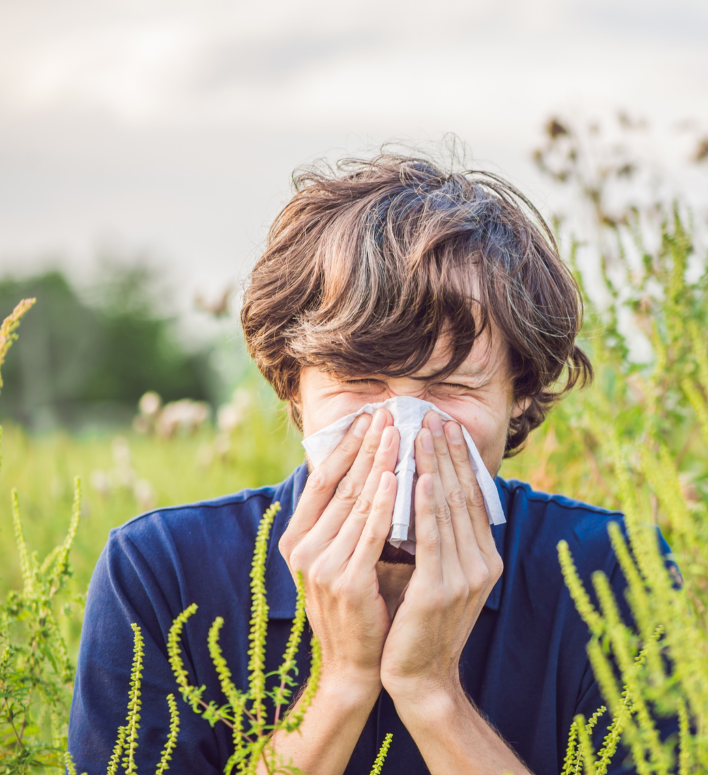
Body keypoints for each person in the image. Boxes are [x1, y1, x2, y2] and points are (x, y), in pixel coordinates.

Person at [69, 154, 674, 774]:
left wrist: (432, 693)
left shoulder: (616, 575)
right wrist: (342, 681)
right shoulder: (160, 573)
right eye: (360, 379)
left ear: (518, 394)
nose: (403, 429)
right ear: (292, 386)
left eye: (452, 387)